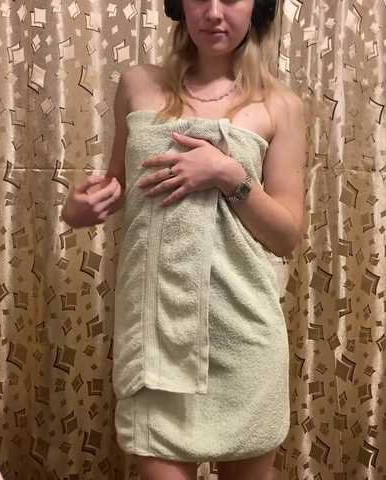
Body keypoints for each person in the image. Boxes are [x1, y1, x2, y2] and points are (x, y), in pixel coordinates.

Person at [63, 0, 306, 479]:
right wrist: (79, 209)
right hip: (156, 338)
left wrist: (228, 174)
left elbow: (286, 236)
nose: (213, 12)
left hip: (243, 336)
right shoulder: (138, 85)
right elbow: (119, 185)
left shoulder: (281, 106)